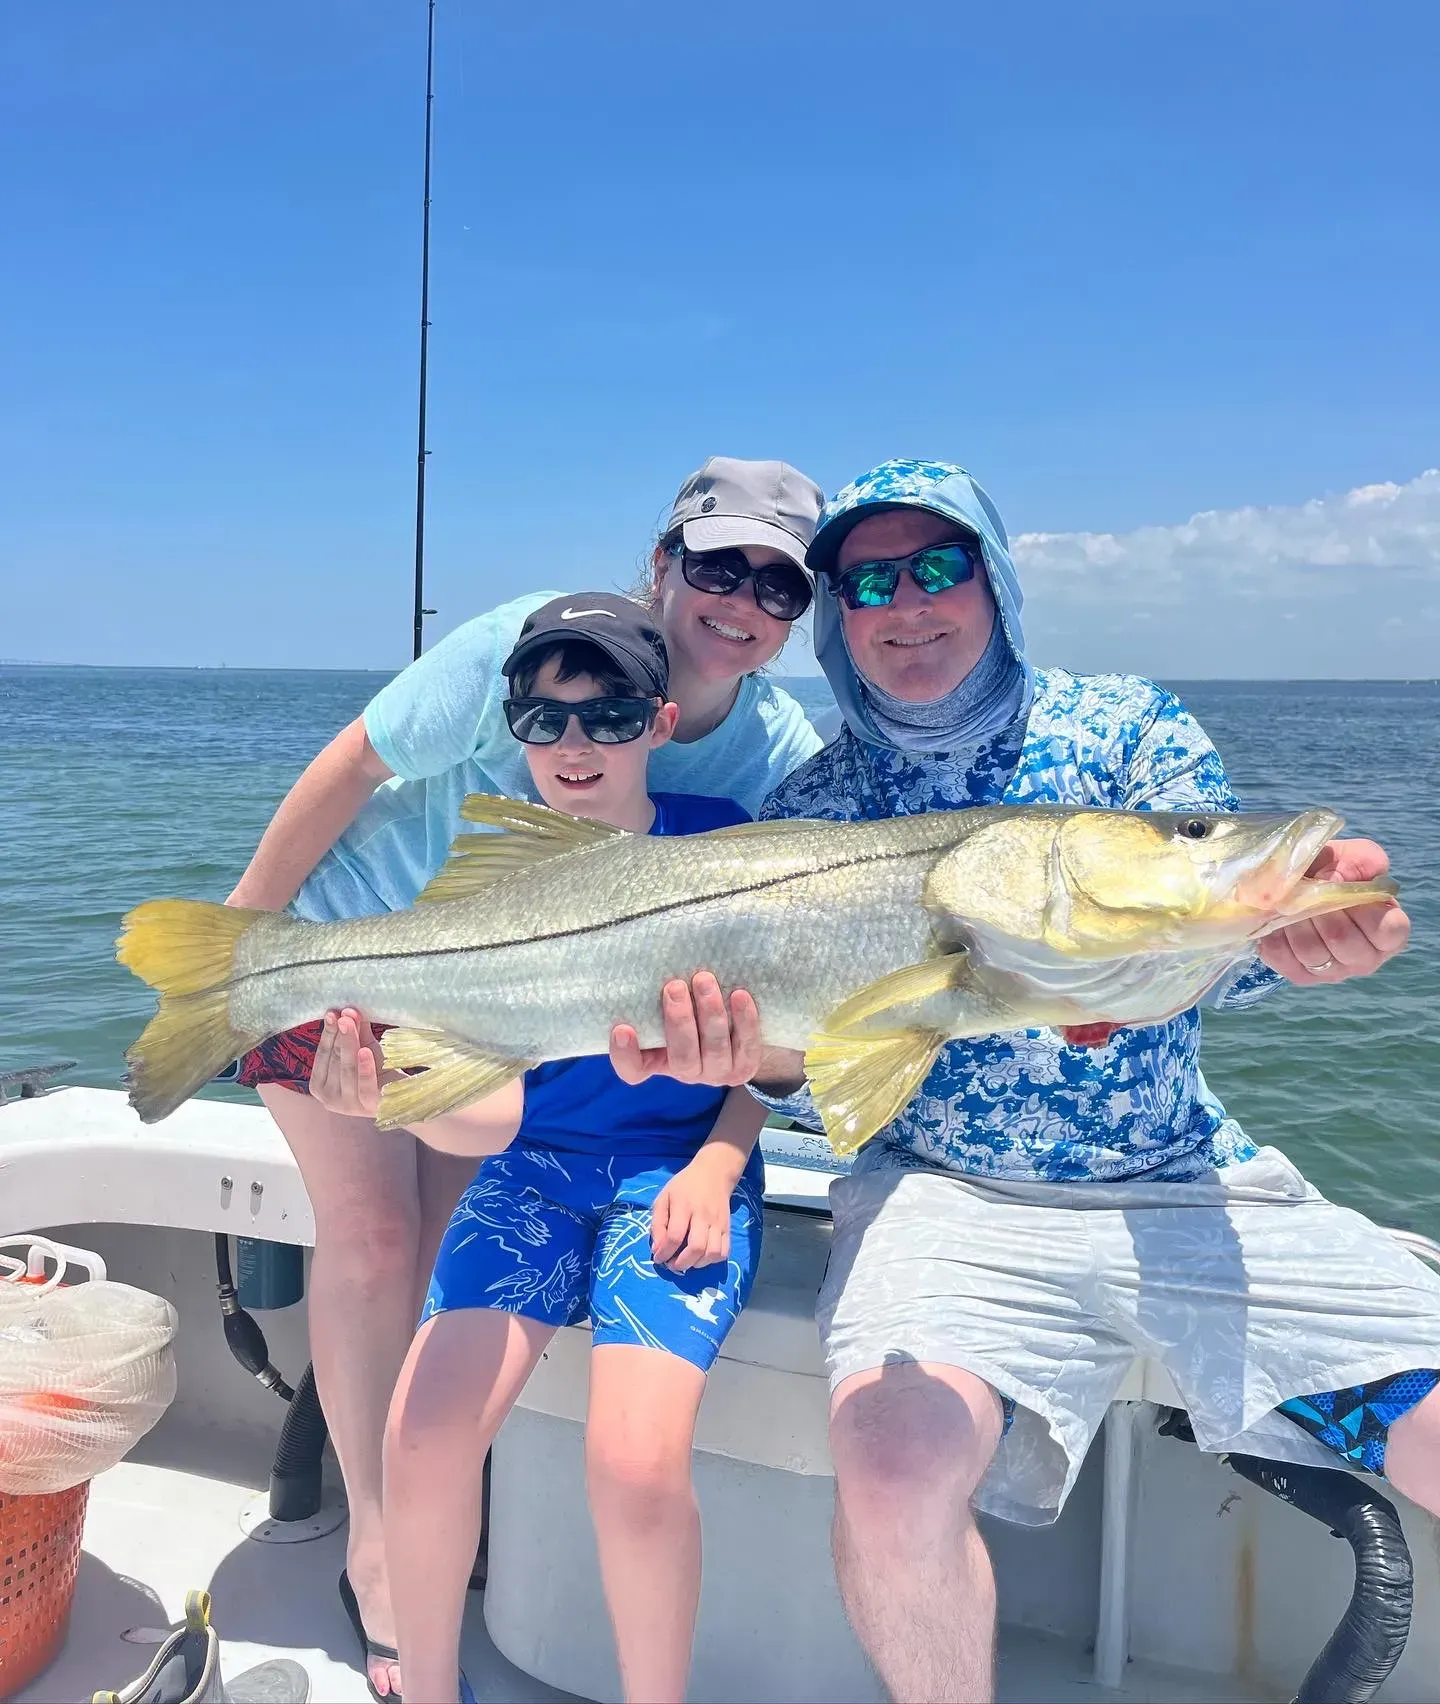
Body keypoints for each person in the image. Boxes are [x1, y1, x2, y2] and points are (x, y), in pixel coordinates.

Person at [611, 459, 1437, 1704]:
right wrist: (737, 1060)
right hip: (938, 1196)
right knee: (891, 1469)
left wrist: (1289, 944)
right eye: (869, 579)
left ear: (993, 579)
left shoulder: (1130, 731)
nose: (909, 602)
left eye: (939, 565)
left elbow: (1199, 950)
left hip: (1181, 1178)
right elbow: (810, 1065)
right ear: (837, 615)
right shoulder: (814, 810)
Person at [222, 457, 823, 1701]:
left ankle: (442, 1520)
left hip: (520, 1040)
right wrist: (245, 954)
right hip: (348, 949)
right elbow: (353, 763)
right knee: (376, 1235)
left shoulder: (778, 757)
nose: (740, 596)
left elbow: (792, 991)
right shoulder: (523, 641)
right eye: (715, 563)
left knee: (455, 1216)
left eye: (777, 580)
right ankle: (388, 1554)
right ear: (662, 564)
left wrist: (724, 1141)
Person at [307, 596, 769, 1704]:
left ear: (660, 722)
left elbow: (778, 1053)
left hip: (679, 1175)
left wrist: (717, 1164)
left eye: (607, 718)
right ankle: (427, 1690)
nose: (573, 746)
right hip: (530, 1175)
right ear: (510, 727)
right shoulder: (486, 879)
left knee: (636, 1464)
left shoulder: (729, 848)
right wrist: (392, 1105)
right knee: (419, 1439)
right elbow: (490, 1120)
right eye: (543, 718)